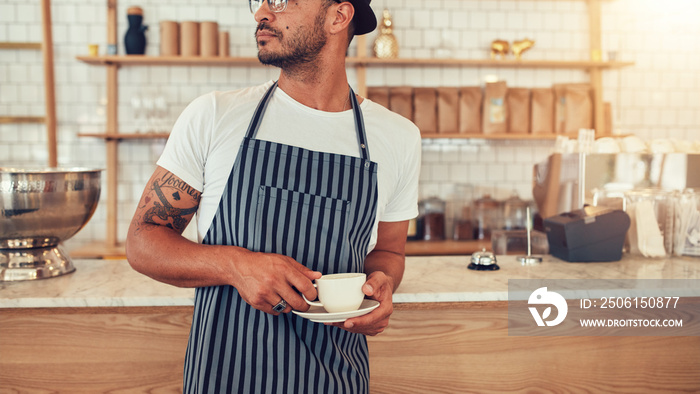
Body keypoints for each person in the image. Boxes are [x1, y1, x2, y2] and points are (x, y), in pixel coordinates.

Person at [125, 0, 421, 392]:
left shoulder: (398, 138)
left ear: (338, 16)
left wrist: (383, 283)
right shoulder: (214, 116)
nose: (261, 12)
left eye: (281, 0)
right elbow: (143, 240)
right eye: (261, 0)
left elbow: (389, 252)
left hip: (336, 377)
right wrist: (236, 265)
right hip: (224, 376)